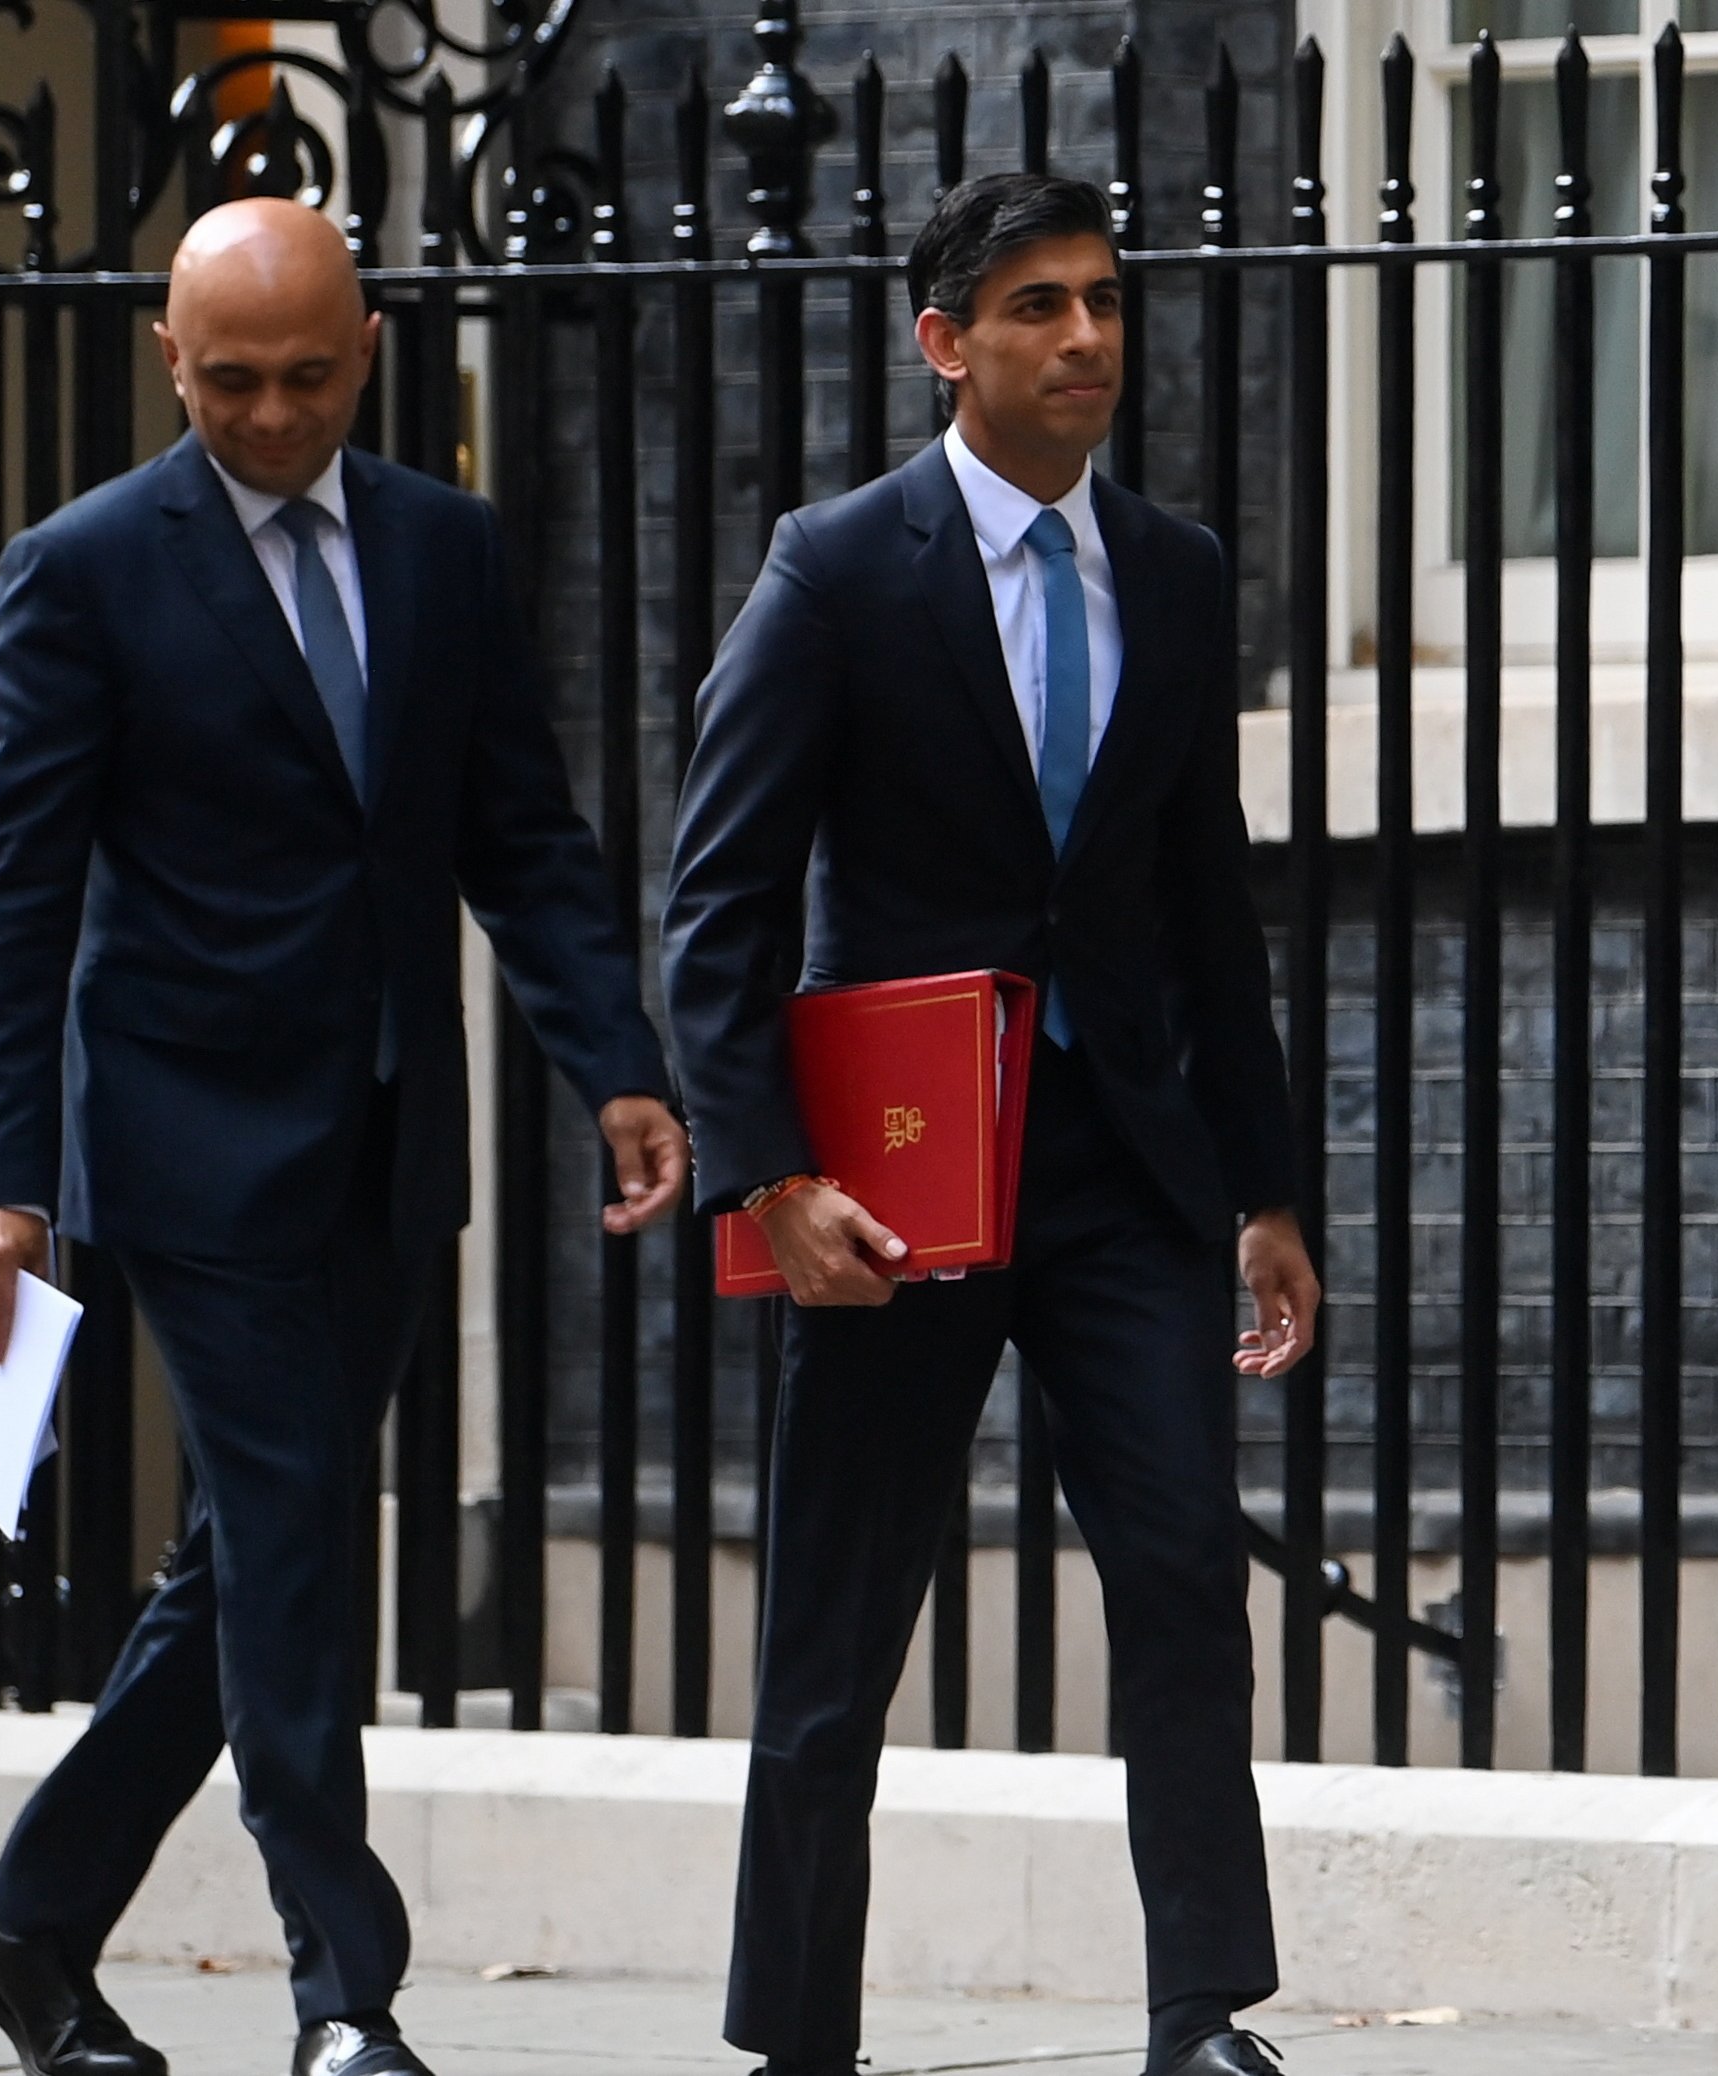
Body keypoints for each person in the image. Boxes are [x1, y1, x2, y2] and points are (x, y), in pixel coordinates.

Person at [0, 198, 685, 2076]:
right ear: (168, 366)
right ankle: (344, 1997)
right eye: (232, 381)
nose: (272, 417)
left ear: (367, 350)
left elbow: (519, 831)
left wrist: (619, 1066)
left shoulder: (441, 544)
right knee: (294, 1545)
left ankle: (26, 1932)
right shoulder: (83, 568)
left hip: (381, 1136)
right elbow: (9, 897)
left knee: (249, 1557)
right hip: (186, 1146)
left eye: (309, 376)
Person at [661, 171, 1320, 2076]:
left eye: (1104, 302)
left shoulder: (1178, 574)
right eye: (1036, 307)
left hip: (1123, 1174)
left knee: (1186, 1576)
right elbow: (718, 907)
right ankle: (796, 2037)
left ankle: (1200, 2017)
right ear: (945, 342)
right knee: (835, 1630)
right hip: (895, 1193)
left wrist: (1265, 1193)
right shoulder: (835, 568)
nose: (1086, 340)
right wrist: (769, 1177)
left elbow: (1207, 904)